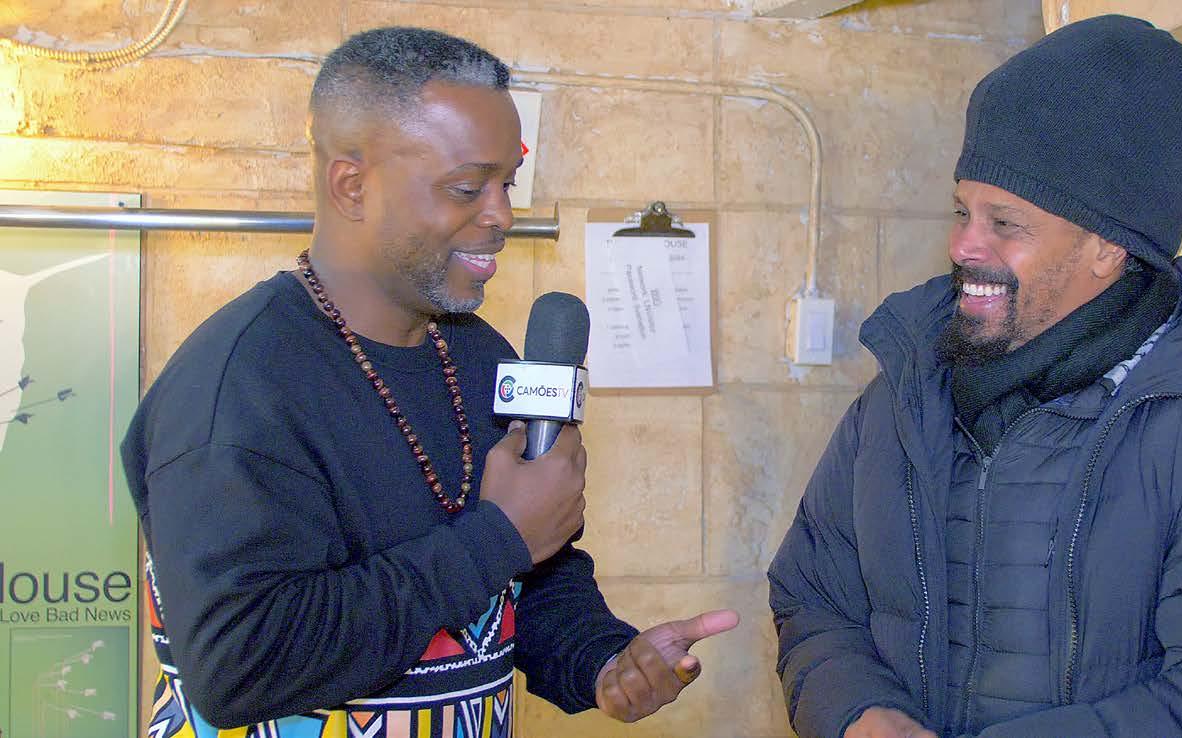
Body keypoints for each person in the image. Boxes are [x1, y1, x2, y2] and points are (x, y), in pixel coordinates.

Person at [122, 26, 736, 737]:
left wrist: (598, 659)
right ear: (352, 185)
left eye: (507, 183)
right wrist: (496, 537)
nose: (501, 215)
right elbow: (241, 664)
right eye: (467, 188)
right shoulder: (238, 387)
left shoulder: (478, 355)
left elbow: (529, 566)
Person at [768, 14, 1182, 738]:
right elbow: (813, 598)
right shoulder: (900, 400)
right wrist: (861, 713)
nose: (963, 244)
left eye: (1004, 223)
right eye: (962, 211)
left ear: (1108, 248)